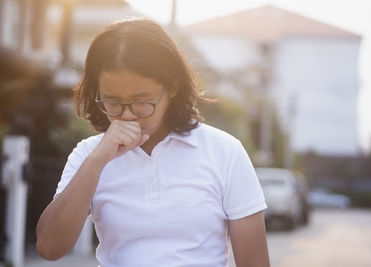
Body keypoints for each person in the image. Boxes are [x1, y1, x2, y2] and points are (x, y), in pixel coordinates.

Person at [36, 18, 270, 267]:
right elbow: (49, 247)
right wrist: (97, 161)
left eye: (142, 101)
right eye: (112, 102)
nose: (127, 115)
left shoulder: (225, 152)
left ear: (172, 87)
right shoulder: (89, 155)